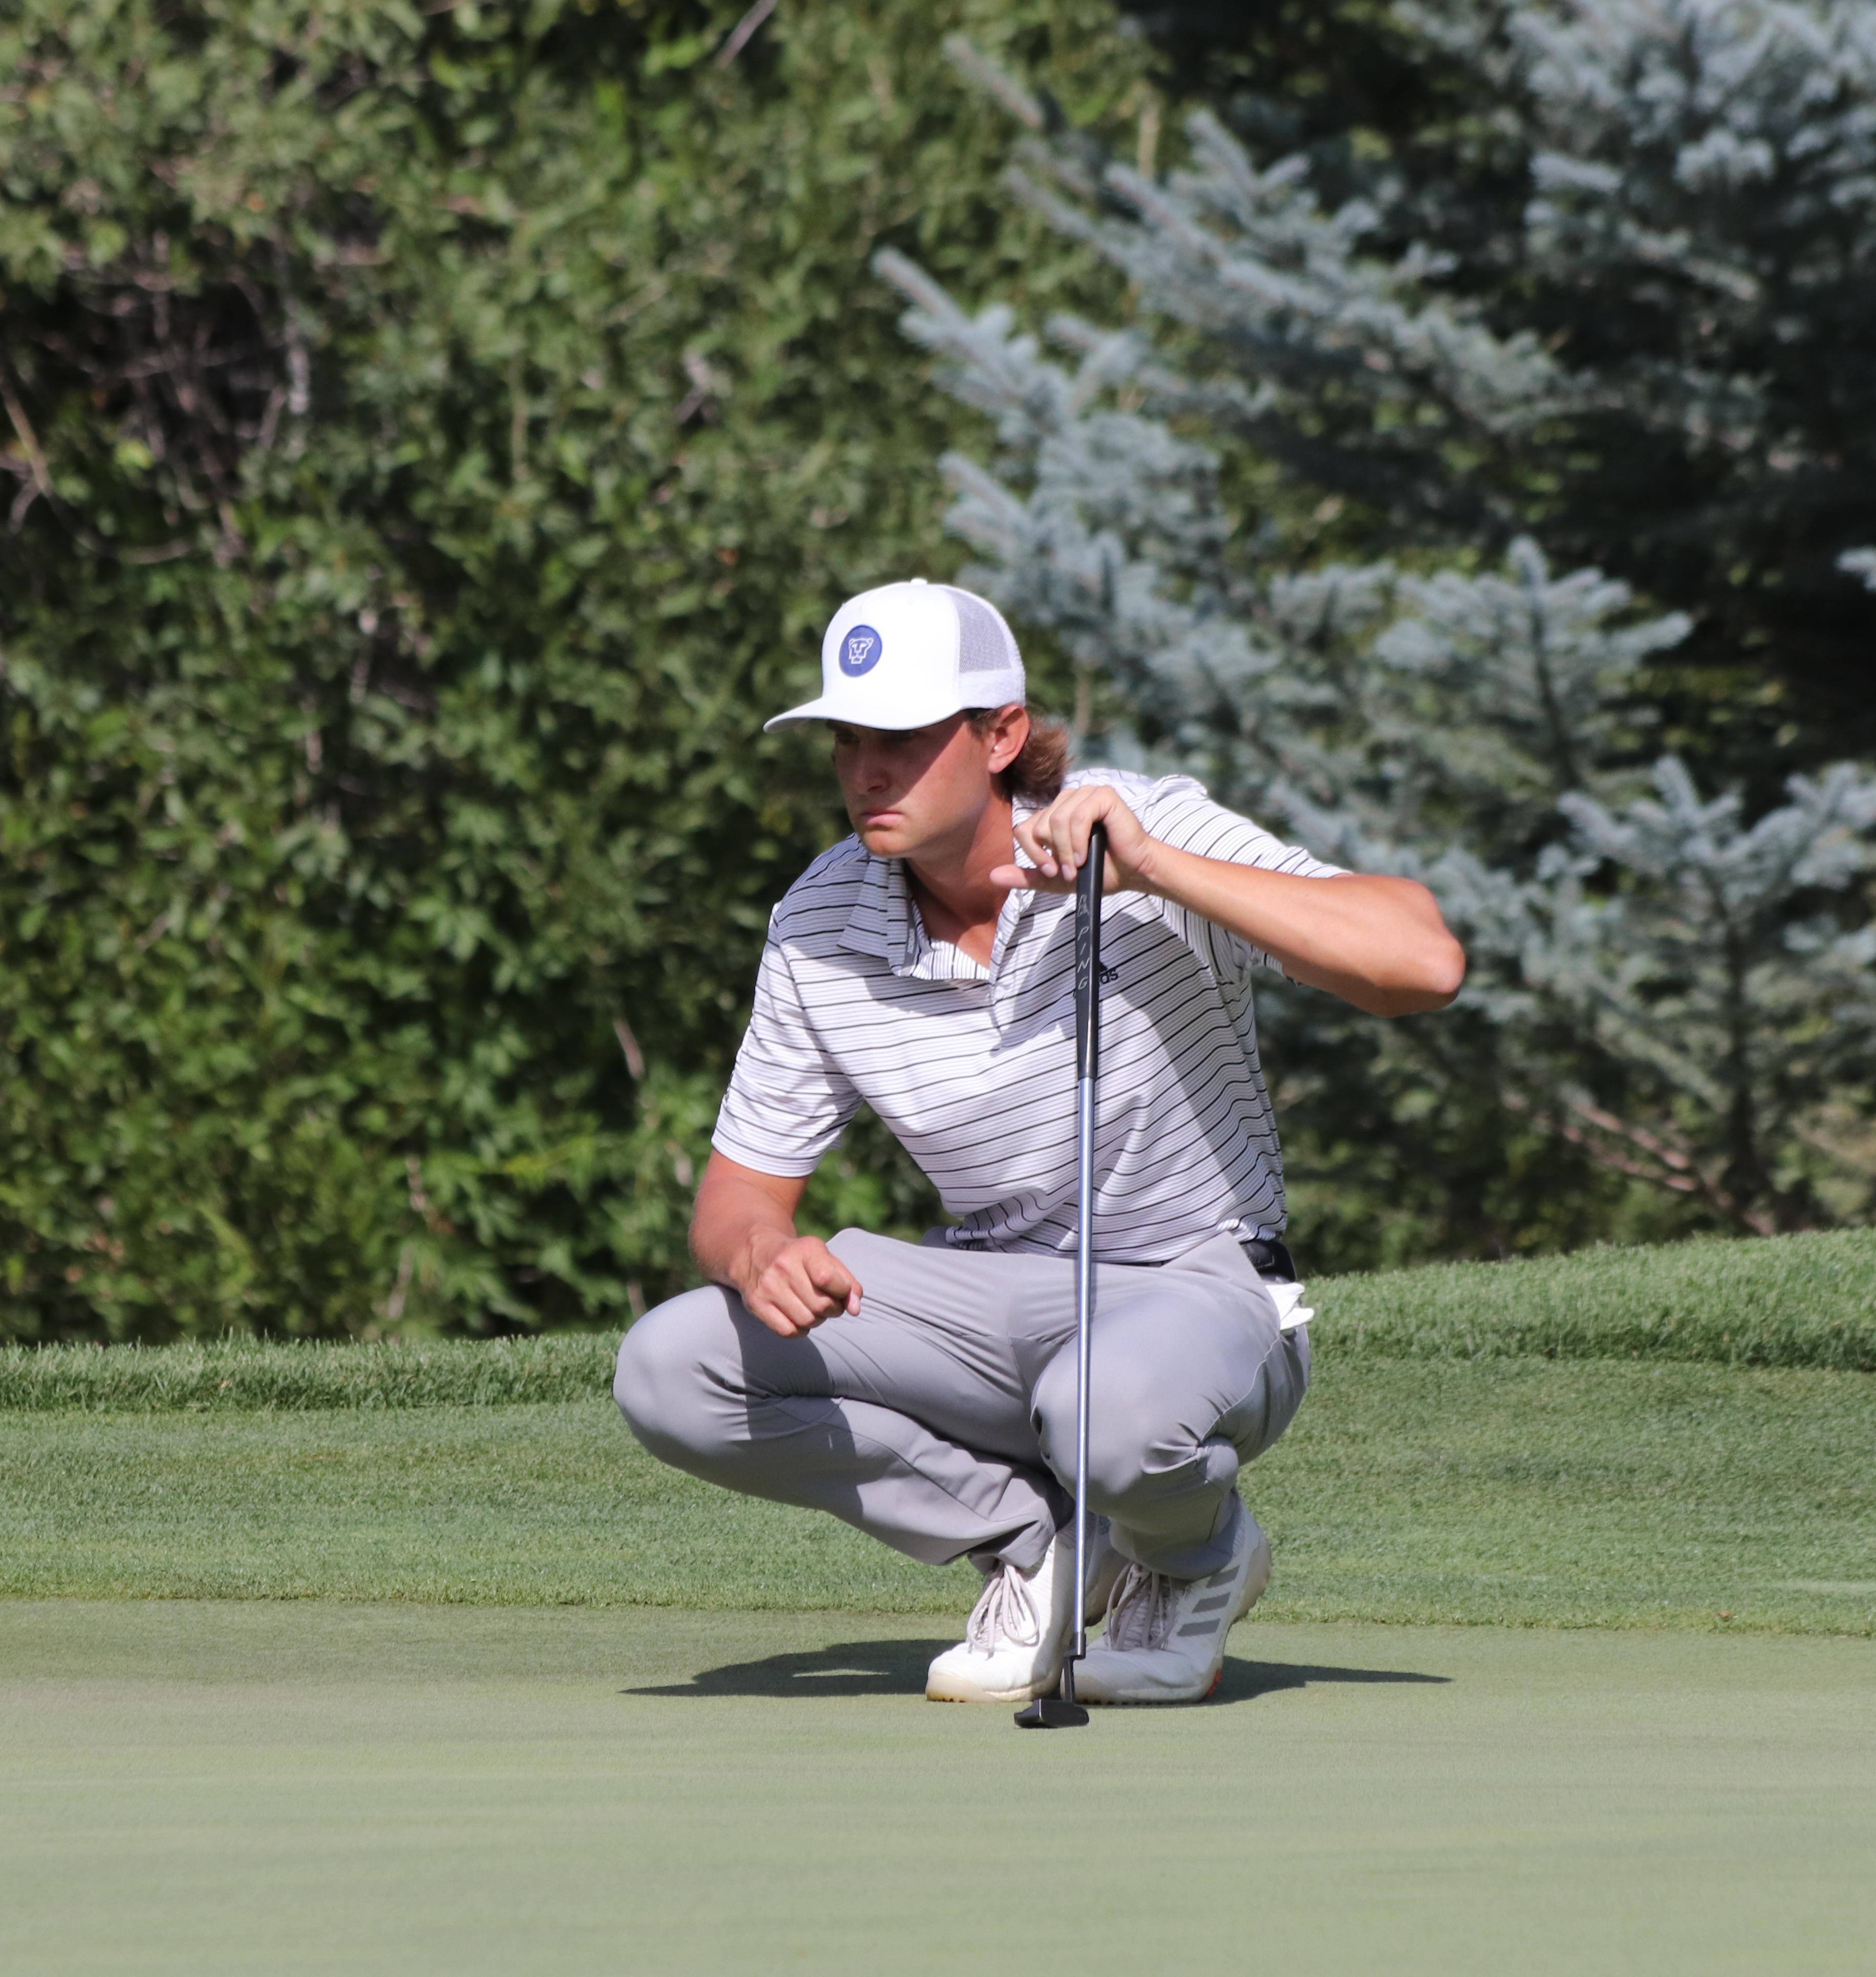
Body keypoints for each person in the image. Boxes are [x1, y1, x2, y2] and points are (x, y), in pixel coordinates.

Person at [613, 578, 1465, 1704]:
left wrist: (1150, 866)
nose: (867, 771)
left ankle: (1200, 1557)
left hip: (1208, 1290)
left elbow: (1423, 962)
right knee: (673, 1366)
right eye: (848, 741)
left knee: (1101, 1411)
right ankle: (1037, 1541)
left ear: (1002, 735)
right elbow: (736, 1199)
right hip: (994, 1301)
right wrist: (760, 1252)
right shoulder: (821, 916)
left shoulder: (1139, 826)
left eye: (904, 739)